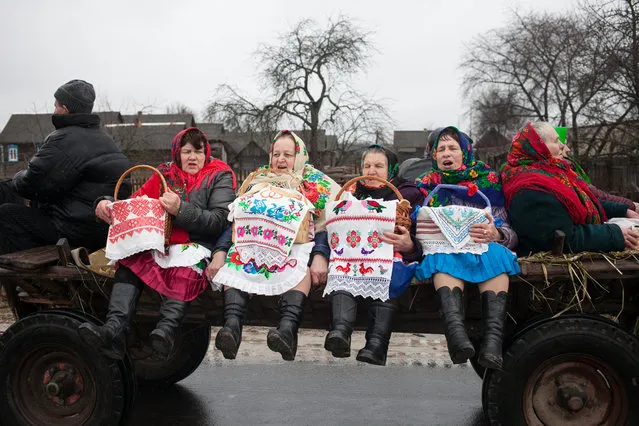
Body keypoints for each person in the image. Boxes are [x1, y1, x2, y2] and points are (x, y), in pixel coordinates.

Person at [78, 127, 236, 359]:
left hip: (198, 244)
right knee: (130, 259)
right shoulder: (165, 175)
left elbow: (220, 221)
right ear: (177, 153)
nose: (193, 157)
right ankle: (113, 328)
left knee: (187, 269)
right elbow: (136, 201)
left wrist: (181, 209)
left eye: (198, 151)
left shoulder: (219, 175)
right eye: (187, 151)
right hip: (160, 241)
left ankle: (166, 331)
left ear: (207, 152)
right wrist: (106, 204)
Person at [206, 130, 340, 361]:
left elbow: (325, 225)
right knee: (237, 261)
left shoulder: (313, 184)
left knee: (299, 265)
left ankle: (287, 331)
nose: (280, 159)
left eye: (288, 154)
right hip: (255, 242)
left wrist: (320, 255)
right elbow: (236, 221)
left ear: (298, 157)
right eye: (276, 154)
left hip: (294, 247)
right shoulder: (257, 182)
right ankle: (231, 328)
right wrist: (220, 251)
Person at [414, 126, 519, 369]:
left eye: (453, 148)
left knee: (497, 258)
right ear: (434, 156)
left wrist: (497, 233)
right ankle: (457, 338)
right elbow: (414, 227)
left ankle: (493, 344)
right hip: (443, 247)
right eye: (441, 149)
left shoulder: (487, 181)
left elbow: (511, 233)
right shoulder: (425, 185)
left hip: (481, 245)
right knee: (441, 261)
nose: (446, 153)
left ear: (466, 153)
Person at [0, 79, 131, 254]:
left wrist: (17, 177)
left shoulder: (64, 139)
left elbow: (30, 184)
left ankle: (21, 275)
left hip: (75, 230)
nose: (54, 111)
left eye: (56, 106)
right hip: (100, 229)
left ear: (66, 108)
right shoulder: (105, 139)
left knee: (6, 215)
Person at [323, 145, 424, 365]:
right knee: (341, 266)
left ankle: (376, 344)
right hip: (352, 254)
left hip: (390, 255)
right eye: (367, 166)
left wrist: (411, 245)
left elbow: (421, 235)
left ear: (391, 170)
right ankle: (340, 332)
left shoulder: (406, 196)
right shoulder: (350, 195)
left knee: (389, 269)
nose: (371, 171)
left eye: (379, 166)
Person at [502, 122, 639, 255]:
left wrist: (623, 210)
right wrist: (614, 234)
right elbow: (564, 239)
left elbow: (582, 201)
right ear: (538, 147)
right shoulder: (530, 187)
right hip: (557, 272)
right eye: (556, 141)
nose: (562, 145)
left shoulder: (550, 174)